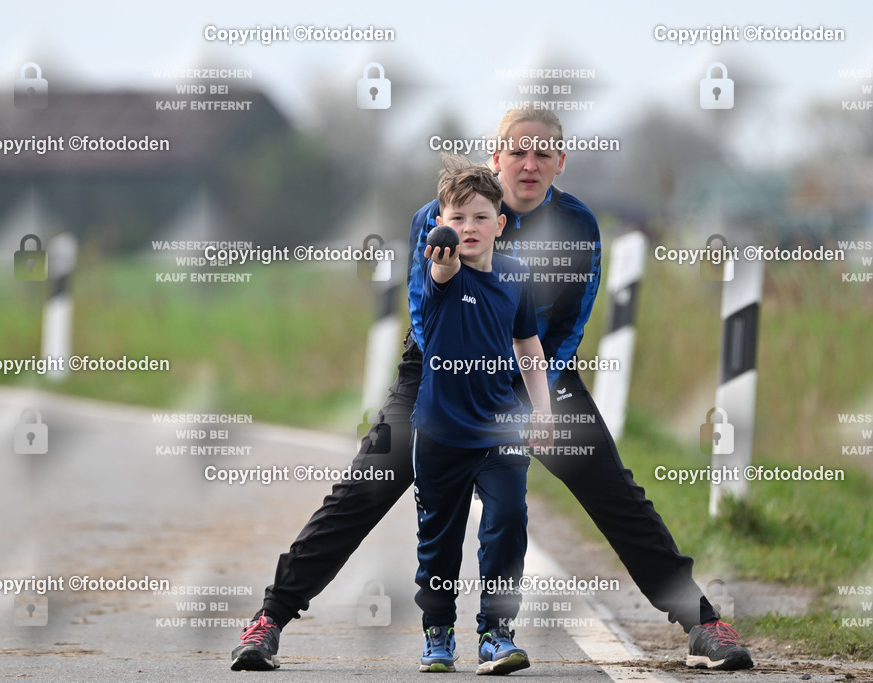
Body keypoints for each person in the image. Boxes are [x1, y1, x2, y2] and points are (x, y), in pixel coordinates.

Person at [231, 107, 754, 673]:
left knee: (614, 491)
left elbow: (569, 328)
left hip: (535, 375)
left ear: (560, 161)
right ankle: (269, 620)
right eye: (517, 151)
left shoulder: (578, 226)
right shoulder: (439, 217)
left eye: (543, 154)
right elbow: (427, 319)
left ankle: (703, 623)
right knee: (365, 487)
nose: (529, 165)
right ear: (496, 156)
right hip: (437, 376)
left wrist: (534, 403)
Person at [411, 160, 553, 674]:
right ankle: (438, 632)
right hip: (440, 431)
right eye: (456, 217)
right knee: (439, 541)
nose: (467, 227)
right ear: (441, 225)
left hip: (500, 428)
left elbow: (527, 343)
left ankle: (496, 632)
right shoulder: (442, 272)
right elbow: (441, 268)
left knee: (509, 520)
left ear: (500, 222)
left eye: (479, 217)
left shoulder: (516, 275)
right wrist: (442, 254)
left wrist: (543, 409)